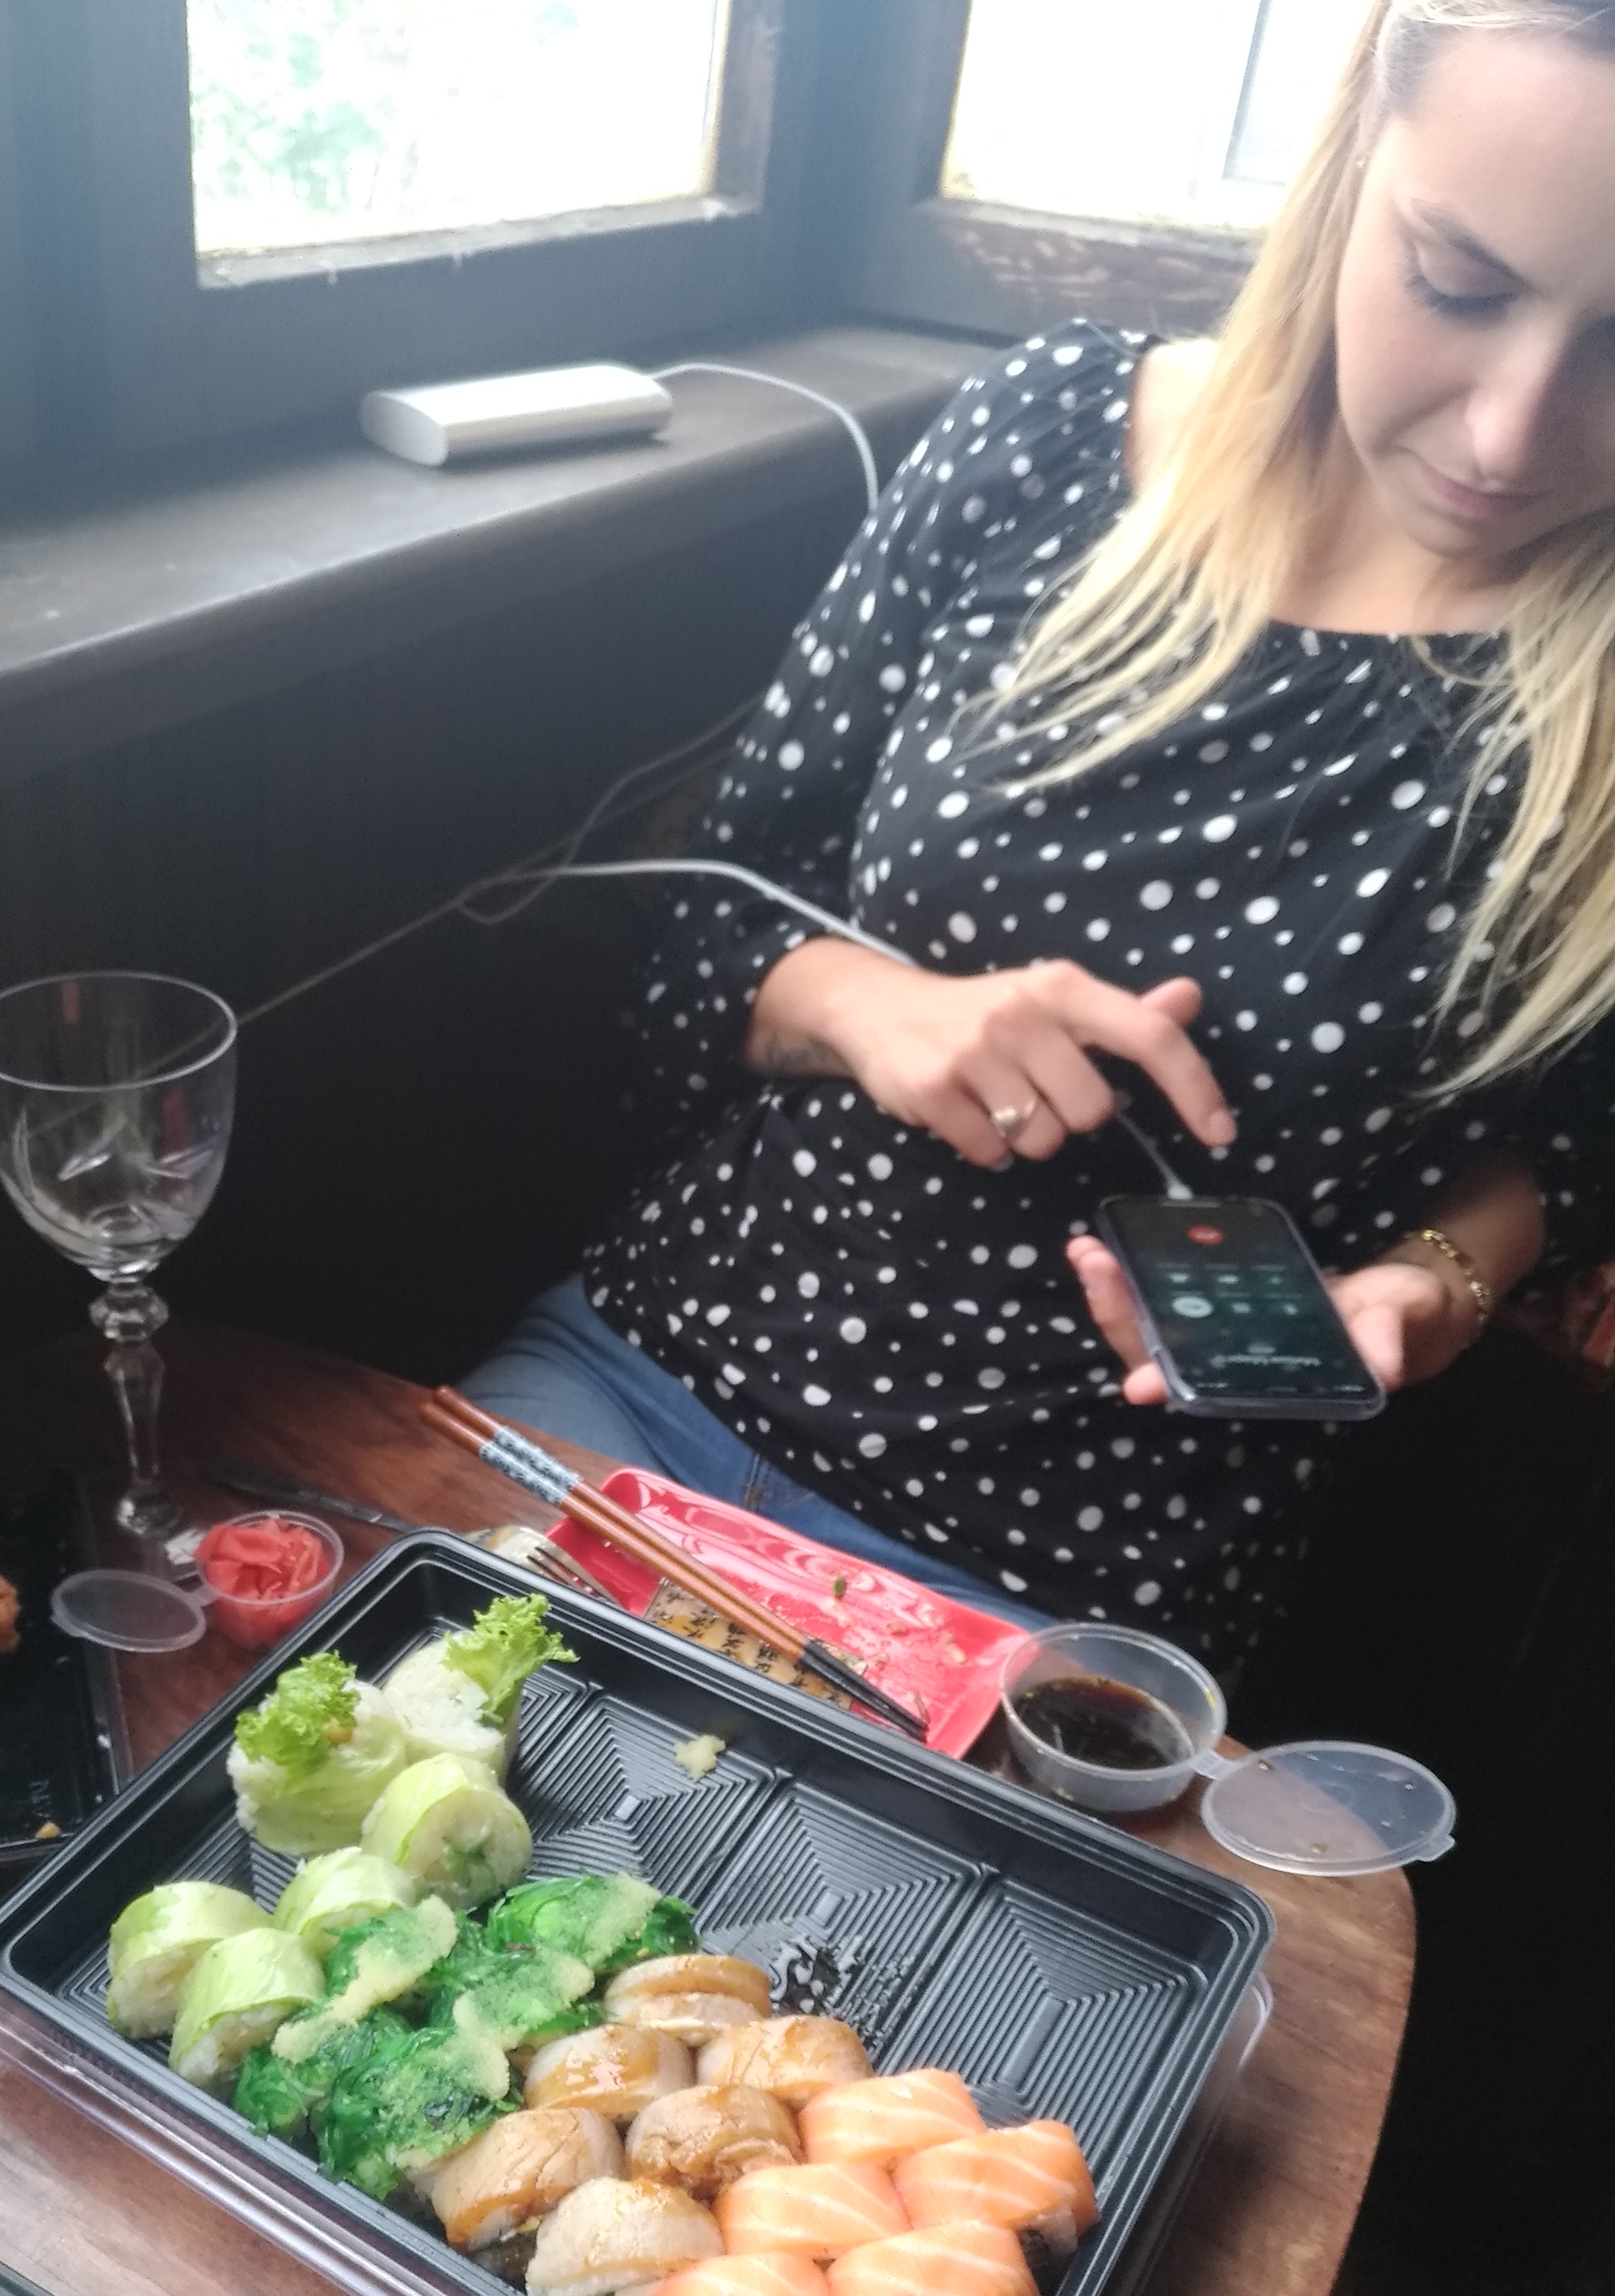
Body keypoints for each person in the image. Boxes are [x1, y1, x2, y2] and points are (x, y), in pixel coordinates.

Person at [463, 0, 1615, 1663]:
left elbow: (1581, 1134)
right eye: (1456, 284)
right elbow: (703, 923)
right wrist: (872, 1007)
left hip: (1071, 1585)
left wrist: (1442, 1278)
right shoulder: (1053, 429)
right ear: (1351, 156)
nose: (1509, 431)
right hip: (652, 1378)